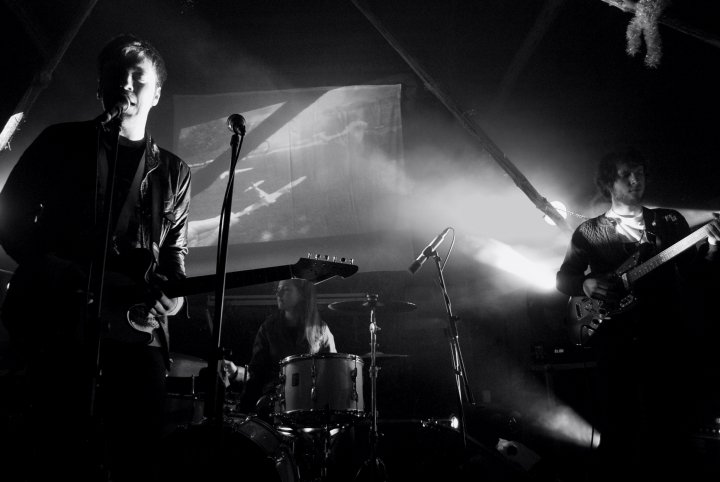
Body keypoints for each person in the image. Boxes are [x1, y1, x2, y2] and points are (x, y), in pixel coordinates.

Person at [0, 34, 191, 481]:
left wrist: (175, 297)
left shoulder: (174, 172)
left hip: (135, 333)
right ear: (99, 87)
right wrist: (55, 268)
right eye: (115, 75)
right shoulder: (60, 142)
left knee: (136, 455)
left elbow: (174, 255)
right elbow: (8, 219)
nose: (125, 84)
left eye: (137, 77)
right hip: (57, 324)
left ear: (156, 93)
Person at [556, 149, 720, 480]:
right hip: (615, 341)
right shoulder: (589, 232)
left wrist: (714, 250)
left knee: (669, 424)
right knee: (619, 425)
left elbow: (694, 273)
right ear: (608, 182)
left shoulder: (669, 221)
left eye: (640, 172)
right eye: (626, 174)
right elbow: (563, 279)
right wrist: (586, 283)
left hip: (664, 336)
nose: (636, 179)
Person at [221, 277, 336, 416]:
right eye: (278, 289)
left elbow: (333, 369)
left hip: (311, 405)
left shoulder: (321, 330)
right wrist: (235, 372)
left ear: (302, 294)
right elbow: (255, 372)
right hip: (274, 404)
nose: (278, 294)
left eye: (286, 289)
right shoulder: (268, 328)